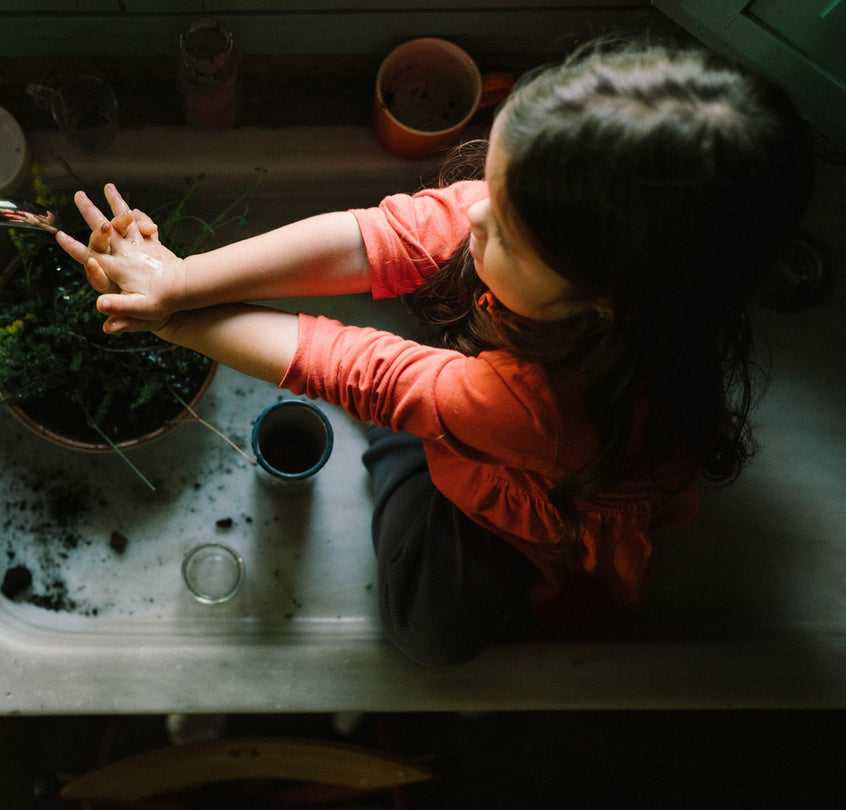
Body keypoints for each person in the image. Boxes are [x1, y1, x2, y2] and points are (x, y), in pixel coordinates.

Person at [55, 40, 814, 666]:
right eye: (493, 185)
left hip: (530, 474)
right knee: (430, 277)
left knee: (429, 634)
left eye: (506, 230)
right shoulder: (642, 270)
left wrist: (165, 318)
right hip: (504, 401)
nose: (475, 212)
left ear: (601, 298)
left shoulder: (545, 411)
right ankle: (429, 412)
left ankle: (406, 450)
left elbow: (362, 373)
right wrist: (181, 281)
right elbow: (376, 238)